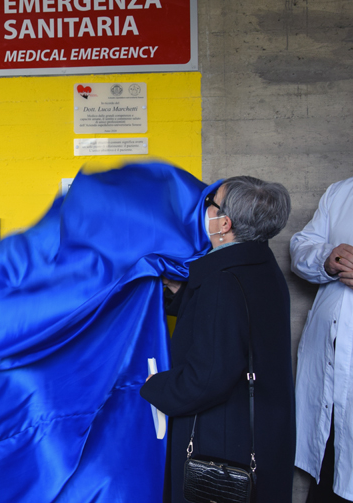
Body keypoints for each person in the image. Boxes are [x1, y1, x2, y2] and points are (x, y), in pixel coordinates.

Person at [140, 176, 295, 503]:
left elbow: (206, 379)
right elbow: (236, 324)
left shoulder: (222, 283)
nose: (204, 208)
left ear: (223, 223)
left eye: (211, 203)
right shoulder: (261, 267)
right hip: (258, 434)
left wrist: (153, 386)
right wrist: (180, 291)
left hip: (221, 443)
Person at [291, 176, 353, 502]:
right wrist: (327, 259)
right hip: (329, 373)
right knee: (329, 474)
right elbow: (301, 247)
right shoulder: (341, 192)